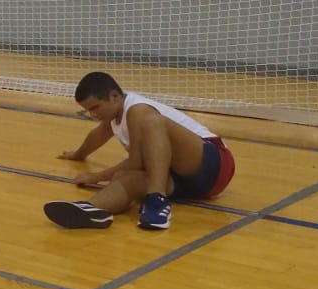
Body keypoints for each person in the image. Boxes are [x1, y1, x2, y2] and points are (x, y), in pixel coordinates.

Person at [44, 71, 235, 231]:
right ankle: (93, 210)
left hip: (214, 163)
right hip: (184, 183)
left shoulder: (137, 109)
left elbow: (137, 161)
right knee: (124, 178)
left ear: (114, 97)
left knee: (153, 122)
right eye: (88, 111)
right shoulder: (113, 116)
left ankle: (157, 200)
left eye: (95, 107)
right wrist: (78, 155)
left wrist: (95, 176)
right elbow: (97, 136)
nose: (93, 114)